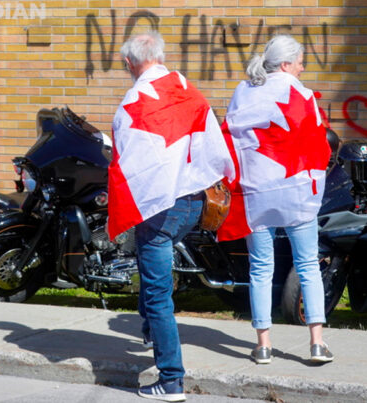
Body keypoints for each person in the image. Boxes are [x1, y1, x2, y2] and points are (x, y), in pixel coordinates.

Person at [107, 31, 234, 401]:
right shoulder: (187, 88)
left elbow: (128, 160)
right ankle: (149, 330)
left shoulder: (135, 102)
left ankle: (171, 379)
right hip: (194, 202)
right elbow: (210, 140)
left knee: (159, 292)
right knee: (152, 275)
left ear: (130, 63)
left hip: (161, 208)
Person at [217, 35, 334, 364]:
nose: (302, 67)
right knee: (308, 265)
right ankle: (316, 343)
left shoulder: (244, 90)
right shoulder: (302, 93)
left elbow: (231, 138)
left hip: (255, 194)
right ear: (285, 64)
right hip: (296, 192)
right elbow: (318, 142)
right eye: (299, 61)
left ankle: (264, 345)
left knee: (260, 270)